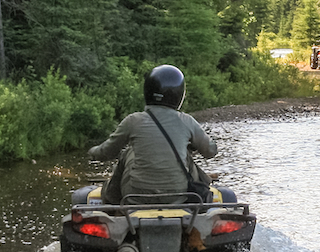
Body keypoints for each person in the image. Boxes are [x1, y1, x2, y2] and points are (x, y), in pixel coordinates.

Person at [90, 64, 227, 202]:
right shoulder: (187, 121)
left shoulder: (133, 121)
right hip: (178, 196)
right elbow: (211, 151)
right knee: (185, 156)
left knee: (127, 153)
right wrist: (191, 146)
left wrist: (92, 152)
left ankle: (112, 200)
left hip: (136, 196)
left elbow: (106, 152)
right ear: (179, 95)